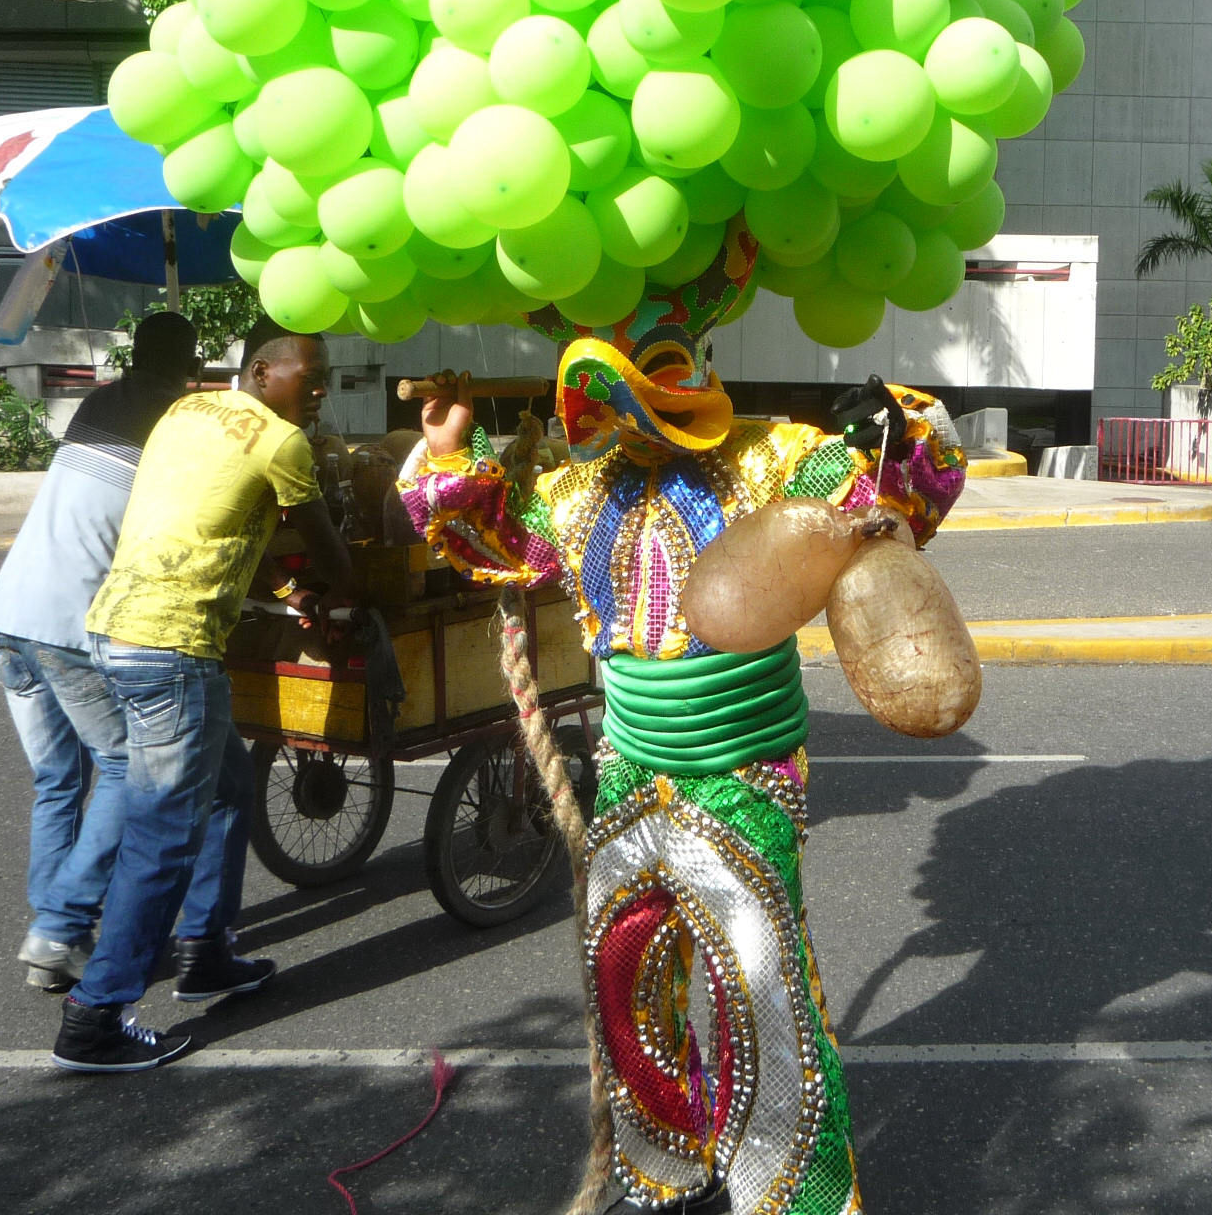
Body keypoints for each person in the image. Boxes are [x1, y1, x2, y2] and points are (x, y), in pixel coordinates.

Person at [402, 232, 966, 1212]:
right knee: (625, 977)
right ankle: (660, 1168)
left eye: (652, 377)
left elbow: (895, 509)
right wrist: (446, 451)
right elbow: (484, 545)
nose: (634, 415)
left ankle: (797, 1197)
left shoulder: (776, 458)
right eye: (612, 396)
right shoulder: (577, 493)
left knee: (761, 992)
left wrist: (907, 429)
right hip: (630, 776)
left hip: (742, 779)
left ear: (699, 363)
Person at [52, 320, 362, 1073]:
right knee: (163, 835)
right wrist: (354, 597)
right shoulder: (280, 443)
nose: (320, 390)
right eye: (309, 375)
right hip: (173, 649)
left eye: (326, 377)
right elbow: (329, 551)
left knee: (227, 785)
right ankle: (95, 1017)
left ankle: (206, 953)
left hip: (116, 628)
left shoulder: (185, 411)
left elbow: (209, 521)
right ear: (262, 371)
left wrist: (280, 586)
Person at [0, 310, 200, 991]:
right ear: (190, 364)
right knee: (129, 765)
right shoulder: (179, 422)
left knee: (59, 780)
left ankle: (55, 931)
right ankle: (57, 929)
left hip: (7, 615)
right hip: (69, 628)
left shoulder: (101, 401)